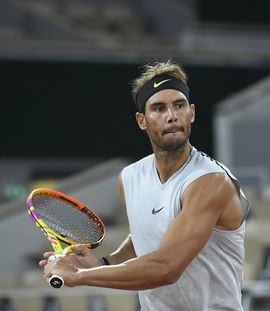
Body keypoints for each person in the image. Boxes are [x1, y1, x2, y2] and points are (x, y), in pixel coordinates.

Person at [40, 60, 250, 310]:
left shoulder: (211, 182)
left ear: (191, 113)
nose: (172, 116)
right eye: (159, 109)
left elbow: (167, 268)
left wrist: (78, 277)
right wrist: (104, 263)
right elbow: (147, 237)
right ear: (142, 120)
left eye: (179, 106)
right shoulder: (129, 178)